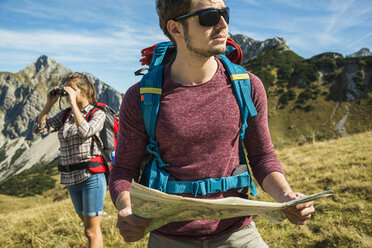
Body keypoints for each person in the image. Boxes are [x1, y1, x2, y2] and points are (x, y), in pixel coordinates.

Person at [109, 0, 315, 247]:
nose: (223, 24)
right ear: (175, 29)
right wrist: (127, 210)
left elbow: (262, 156)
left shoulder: (248, 86)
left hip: (236, 230)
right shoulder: (141, 95)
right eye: (208, 17)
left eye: (224, 13)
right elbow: (123, 170)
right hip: (167, 235)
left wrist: (286, 196)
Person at [34, 72, 106, 248]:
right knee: (89, 227)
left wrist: (74, 103)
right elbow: (40, 128)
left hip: (92, 176)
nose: (67, 93)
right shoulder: (66, 115)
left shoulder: (98, 113)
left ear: (83, 91)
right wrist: (49, 104)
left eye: (71, 89)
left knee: (90, 230)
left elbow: (86, 131)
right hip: (71, 178)